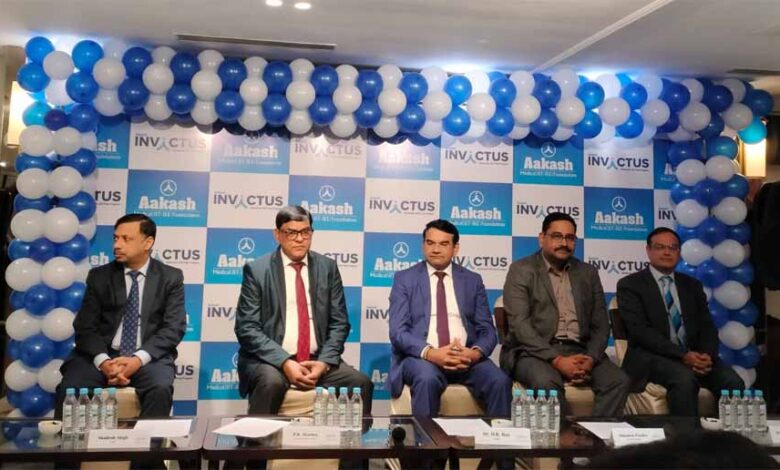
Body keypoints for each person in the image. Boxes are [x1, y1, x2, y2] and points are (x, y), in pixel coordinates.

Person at [235, 205, 373, 415]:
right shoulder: (257, 270)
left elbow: (339, 323)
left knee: (361, 383)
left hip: (317, 358)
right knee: (271, 384)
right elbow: (247, 328)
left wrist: (324, 362)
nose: (300, 239)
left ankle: (355, 438)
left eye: (305, 232)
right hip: (271, 361)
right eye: (291, 232)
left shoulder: (327, 268)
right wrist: (284, 362)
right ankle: (257, 437)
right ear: (277, 234)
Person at [500, 212, 630, 417]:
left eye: (570, 238)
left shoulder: (588, 272)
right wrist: (557, 360)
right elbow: (520, 326)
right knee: (546, 382)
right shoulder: (521, 270)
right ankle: (561, 437)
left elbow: (601, 325)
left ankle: (595, 435)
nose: (564, 243)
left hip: (580, 350)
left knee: (618, 381)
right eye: (557, 236)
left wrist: (590, 358)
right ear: (542, 238)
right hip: (532, 352)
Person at [56, 213, 185, 418]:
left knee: (160, 388)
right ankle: (68, 440)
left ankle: (151, 440)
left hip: (146, 356)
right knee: (71, 387)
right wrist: (104, 362)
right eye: (116, 238)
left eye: (126, 239)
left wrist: (137, 360)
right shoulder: (99, 276)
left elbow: (173, 328)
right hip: (101, 354)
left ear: (148, 242)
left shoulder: (170, 277)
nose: (117, 245)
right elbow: (85, 327)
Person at [388, 219, 512, 417]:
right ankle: (426, 438)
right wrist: (431, 353)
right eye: (430, 243)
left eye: (443, 244)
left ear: (455, 248)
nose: (436, 249)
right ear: (423, 245)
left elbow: (487, 330)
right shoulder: (405, 279)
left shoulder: (472, 280)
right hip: (422, 359)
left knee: (499, 381)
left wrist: (474, 353)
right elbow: (398, 332)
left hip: (466, 358)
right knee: (427, 379)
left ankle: (498, 436)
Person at [616, 227, 743, 416]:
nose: (667, 252)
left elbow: (707, 326)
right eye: (660, 247)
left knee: (733, 382)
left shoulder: (692, 285)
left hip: (693, 356)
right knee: (684, 379)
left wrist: (706, 356)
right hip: (651, 357)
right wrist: (683, 355)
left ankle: (727, 434)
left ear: (679, 252)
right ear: (648, 250)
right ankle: (685, 434)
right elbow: (641, 332)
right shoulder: (630, 285)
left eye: (673, 247)